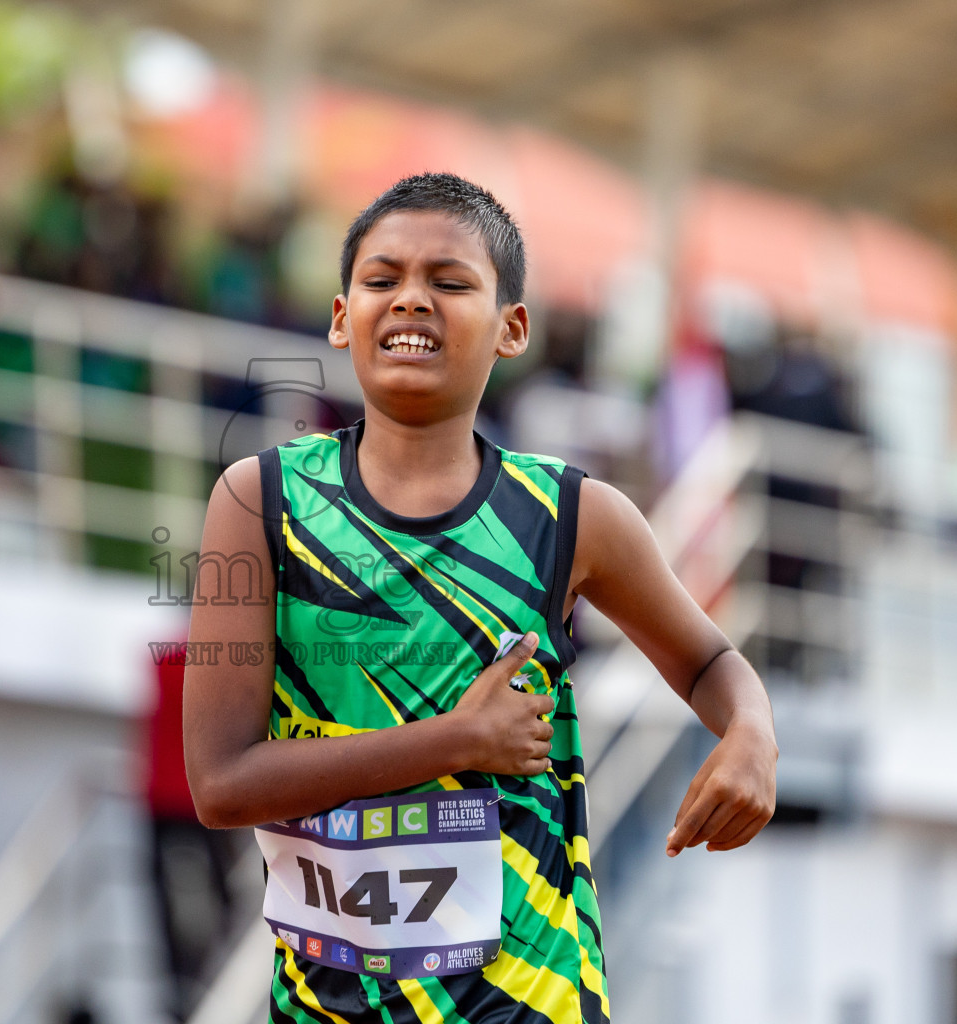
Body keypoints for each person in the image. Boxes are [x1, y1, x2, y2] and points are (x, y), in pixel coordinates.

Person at [183, 173, 778, 1023]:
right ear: (342, 315)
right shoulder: (261, 500)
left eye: (451, 282)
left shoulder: (573, 516)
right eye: (382, 280)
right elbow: (221, 782)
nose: (412, 301)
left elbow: (713, 661)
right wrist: (460, 738)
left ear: (513, 328)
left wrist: (752, 734)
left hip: (532, 1005)